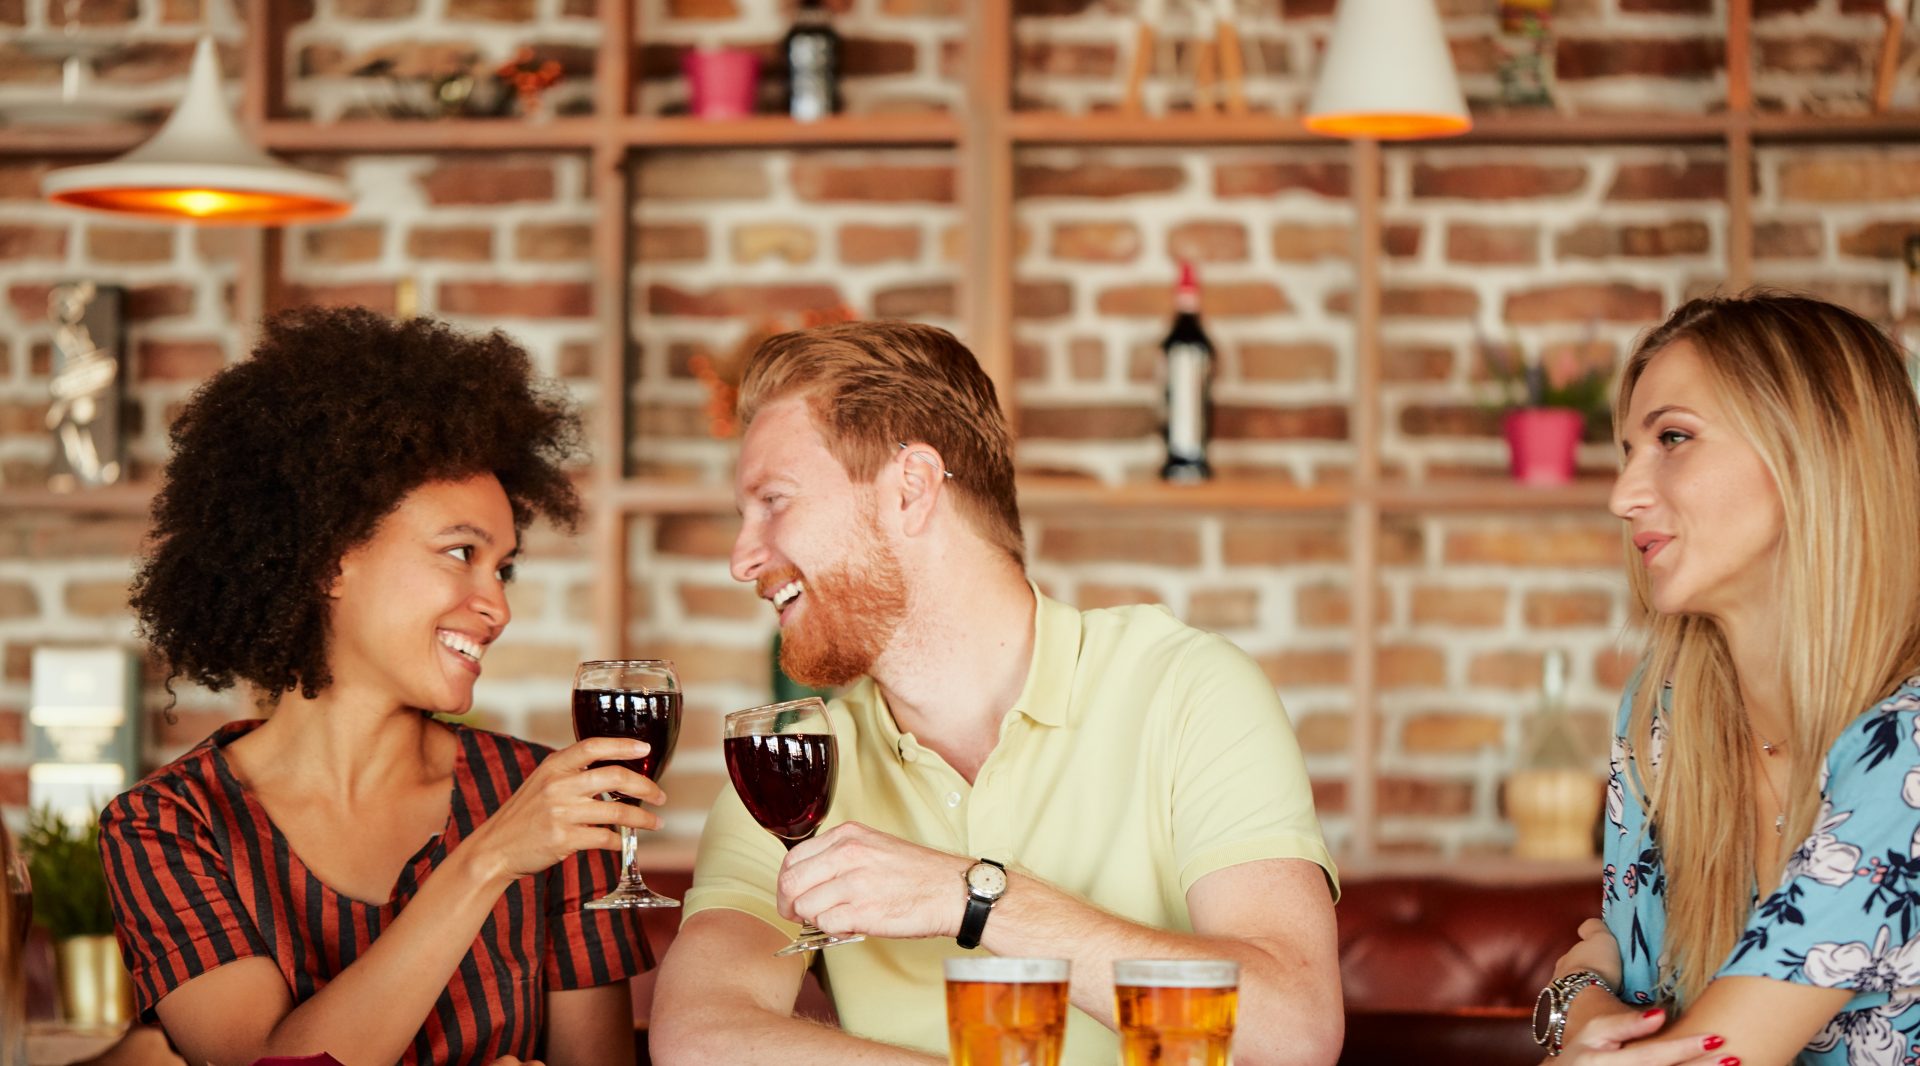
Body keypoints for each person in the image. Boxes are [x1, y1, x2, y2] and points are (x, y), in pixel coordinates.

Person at [649, 321, 1342, 1066]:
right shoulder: (793, 777)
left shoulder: (1187, 690)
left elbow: (1292, 1032)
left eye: (774, 501)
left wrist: (973, 897)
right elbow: (698, 1038)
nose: (741, 558)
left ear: (911, 488)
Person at [97, 307, 661, 1066]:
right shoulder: (169, 825)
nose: (497, 607)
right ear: (331, 559)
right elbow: (269, 1063)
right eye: (460, 553)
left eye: (503, 568)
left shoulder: (545, 798)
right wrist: (489, 860)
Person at [1542, 292, 1920, 1066]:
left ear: (1813, 450)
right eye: (1629, 451)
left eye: (1673, 438)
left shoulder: (1908, 740)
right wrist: (1580, 1004)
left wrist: (1574, 989)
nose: (1622, 496)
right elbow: (1622, 1043)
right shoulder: (1663, 714)